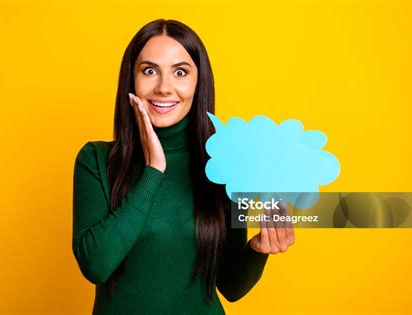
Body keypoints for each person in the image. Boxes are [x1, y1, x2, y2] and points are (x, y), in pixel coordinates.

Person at [72, 19, 295, 314]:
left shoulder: (225, 167)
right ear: (131, 80)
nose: (164, 88)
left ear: (199, 82)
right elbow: (95, 266)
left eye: (180, 72)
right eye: (149, 71)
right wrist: (153, 170)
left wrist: (258, 251)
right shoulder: (96, 160)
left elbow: (230, 287)